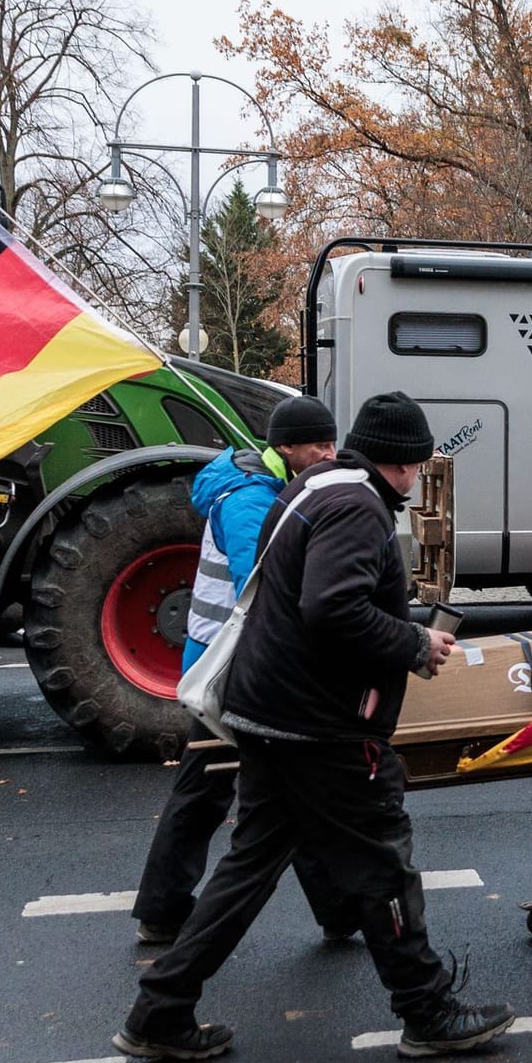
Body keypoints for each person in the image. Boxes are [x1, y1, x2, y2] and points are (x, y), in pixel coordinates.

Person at [115, 391, 515, 1063]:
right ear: (402, 462)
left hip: (268, 710)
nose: (418, 479)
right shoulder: (359, 509)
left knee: (248, 870)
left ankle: (160, 1012)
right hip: (321, 725)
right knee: (384, 866)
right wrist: (415, 646)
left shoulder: (314, 487)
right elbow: (332, 608)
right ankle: (427, 1010)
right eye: (417, 466)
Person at [133, 394, 348, 945]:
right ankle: (164, 911)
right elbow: (270, 591)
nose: (330, 454)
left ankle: (338, 910)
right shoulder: (250, 501)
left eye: (331, 441)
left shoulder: (265, 486)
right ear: (286, 448)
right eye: (319, 445)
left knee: (281, 784)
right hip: (233, 668)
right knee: (218, 787)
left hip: (232, 661)